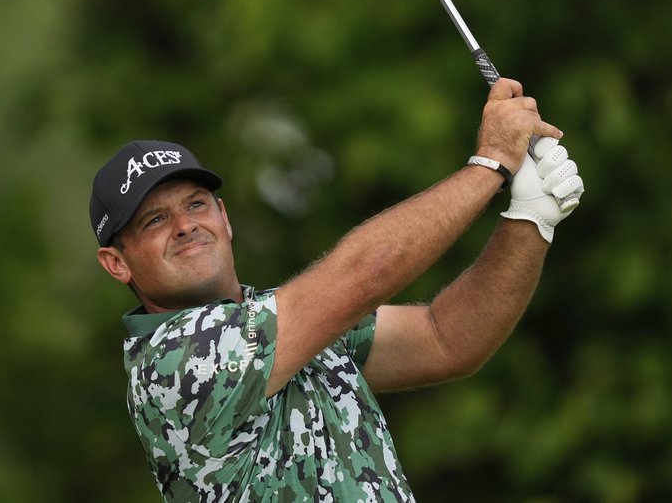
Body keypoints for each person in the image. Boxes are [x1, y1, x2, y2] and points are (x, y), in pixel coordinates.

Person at [90, 78, 585, 501]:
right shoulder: (173, 359)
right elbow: (362, 275)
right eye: (155, 219)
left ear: (225, 218)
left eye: (197, 204)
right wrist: (492, 162)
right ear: (116, 263)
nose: (184, 225)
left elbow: (445, 338)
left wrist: (530, 219)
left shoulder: (278, 322)